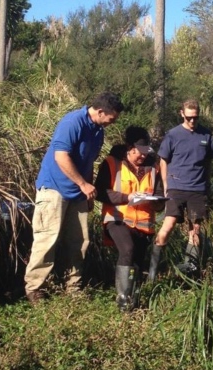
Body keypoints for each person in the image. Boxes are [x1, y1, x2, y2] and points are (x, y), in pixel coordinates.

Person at [24, 92, 124, 303]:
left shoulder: (98, 131)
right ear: (100, 111)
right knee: (47, 239)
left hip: (78, 193)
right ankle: (34, 288)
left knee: (79, 241)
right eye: (111, 119)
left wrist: (87, 191)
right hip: (54, 189)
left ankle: (73, 286)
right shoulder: (72, 122)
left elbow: (88, 163)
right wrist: (83, 184)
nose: (112, 123)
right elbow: (61, 156)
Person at [94, 126, 165, 311]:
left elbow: (159, 199)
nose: (142, 156)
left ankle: (134, 301)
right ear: (128, 147)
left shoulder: (153, 167)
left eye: (145, 152)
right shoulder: (111, 163)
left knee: (137, 262)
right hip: (117, 218)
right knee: (127, 249)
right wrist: (128, 198)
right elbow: (100, 192)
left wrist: (155, 201)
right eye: (138, 152)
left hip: (143, 225)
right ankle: (122, 301)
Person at [149, 99, 213, 276]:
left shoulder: (206, 135)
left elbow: (209, 162)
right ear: (182, 114)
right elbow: (163, 161)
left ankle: (190, 271)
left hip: (198, 189)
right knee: (168, 225)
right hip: (176, 187)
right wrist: (166, 185)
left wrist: (207, 184)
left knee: (195, 230)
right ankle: (153, 273)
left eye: (195, 118)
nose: (192, 121)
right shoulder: (173, 135)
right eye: (189, 118)